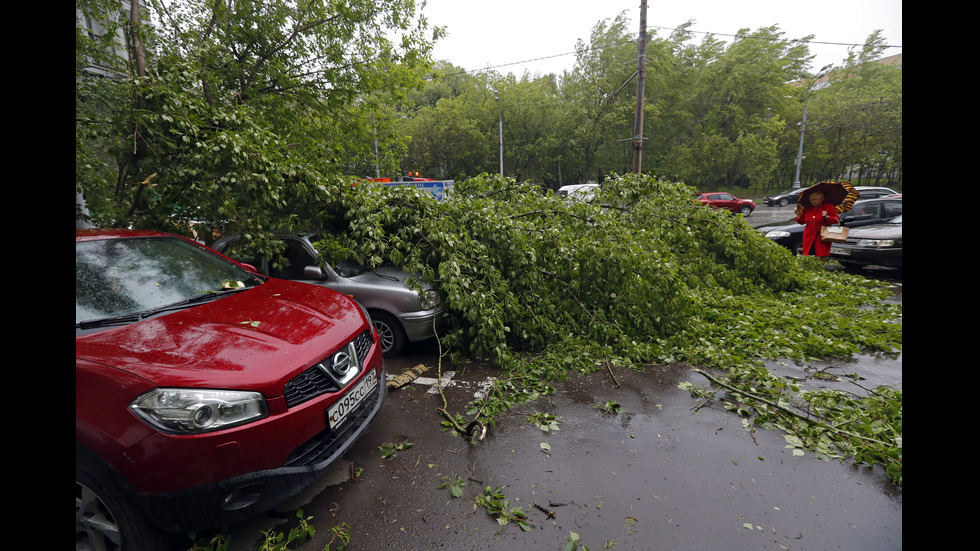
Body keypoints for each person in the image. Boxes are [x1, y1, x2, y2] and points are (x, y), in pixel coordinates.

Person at [794, 191, 840, 258]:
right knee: (807, 255)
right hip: (809, 236)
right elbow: (802, 222)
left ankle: (820, 268)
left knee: (821, 255)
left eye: (816, 199)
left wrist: (827, 217)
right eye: (811, 200)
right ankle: (809, 268)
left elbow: (836, 220)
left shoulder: (829, 207)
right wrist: (798, 214)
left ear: (822, 199)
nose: (813, 202)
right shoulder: (807, 209)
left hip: (822, 236)